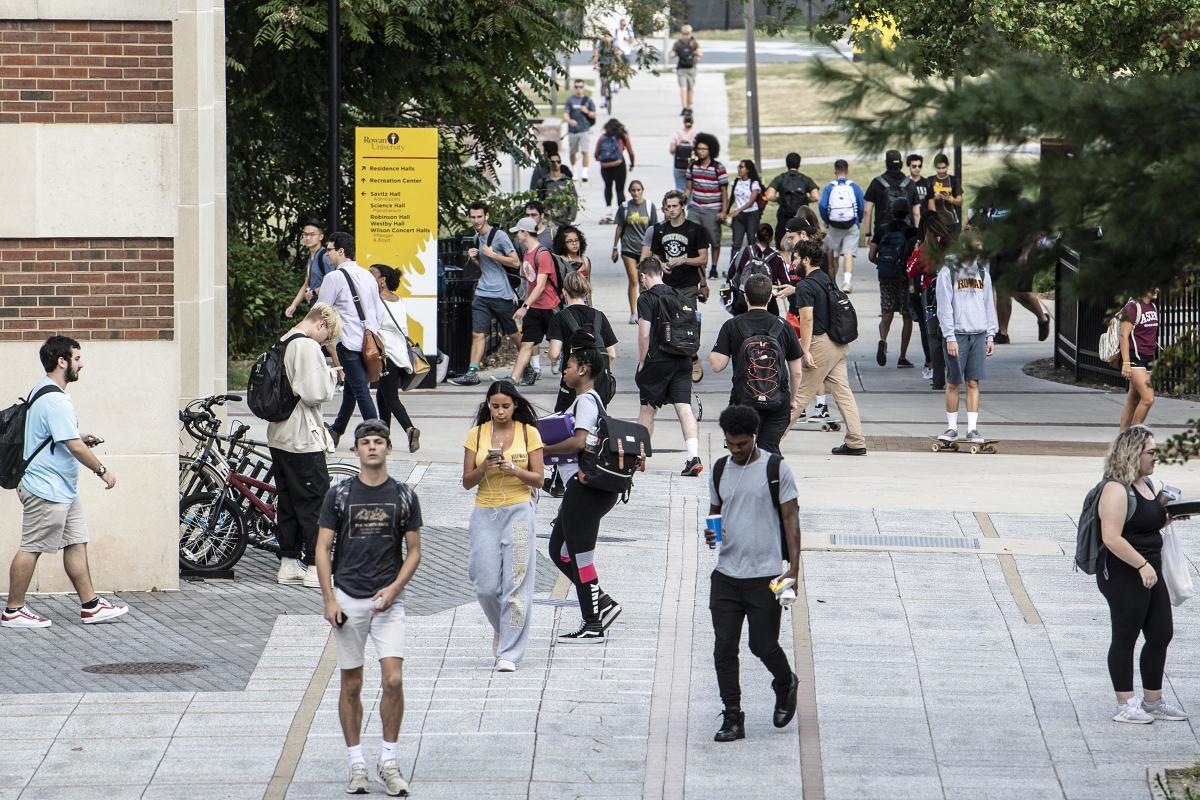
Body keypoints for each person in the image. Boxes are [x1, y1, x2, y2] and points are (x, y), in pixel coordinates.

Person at [315, 420, 422, 797]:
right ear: (356, 450)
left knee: (393, 679)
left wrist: (395, 588)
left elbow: (415, 551)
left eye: (378, 442)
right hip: (347, 599)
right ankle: (356, 762)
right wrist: (329, 599)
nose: (372, 448)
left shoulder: (404, 495)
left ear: (388, 449)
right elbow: (322, 548)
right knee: (352, 684)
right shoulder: (340, 495)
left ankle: (389, 759)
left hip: (387, 602)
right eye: (365, 442)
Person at [2, 336, 128, 629]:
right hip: (45, 489)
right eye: (77, 358)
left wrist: (79, 436)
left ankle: (91, 605)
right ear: (62, 361)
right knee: (31, 547)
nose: (81, 364)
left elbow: (57, 436)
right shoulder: (55, 399)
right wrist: (102, 470)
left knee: (75, 542)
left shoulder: (43, 390)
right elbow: (72, 445)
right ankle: (13, 610)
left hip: (61, 489)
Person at [706, 404, 800, 743]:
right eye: (730, 444)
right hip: (727, 575)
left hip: (765, 575)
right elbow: (715, 510)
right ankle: (733, 716)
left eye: (742, 445)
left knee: (762, 644)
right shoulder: (719, 470)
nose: (735, 450)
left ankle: (785, 681)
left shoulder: (776, 469)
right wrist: (711, 531)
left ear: (754, 437)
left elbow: (791, 519)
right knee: (723, 648)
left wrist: (793, 571)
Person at [1096, 425, 1189, 724]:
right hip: (1124, 571)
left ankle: (1152, 701)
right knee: (1126, 635)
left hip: (1150, 569)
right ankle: (1125, 704)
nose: (1156, 456)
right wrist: (1141, 565)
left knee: (1161, 632)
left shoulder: (1146, 484)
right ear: (1133, 453)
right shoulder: (1115, 489)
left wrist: (1171, 515)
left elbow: (1145, 524)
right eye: (1151, 451)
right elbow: (1111, 537)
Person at [543, 334, 625, 642]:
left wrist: (543, 449)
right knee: (558, 550)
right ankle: (601, 602)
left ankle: (593, 622)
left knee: (580, 556)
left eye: (570, 364)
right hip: (580, 489)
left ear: (584, 369)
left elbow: (579, 441)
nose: (564, 369)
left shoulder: (588, 401)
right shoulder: (585, 400)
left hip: (586, 488)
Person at [461, 381, 544, 672]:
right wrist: (484, 467)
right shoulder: (477, 434)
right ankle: (505, 628)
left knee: (516, 584)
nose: (499, 411)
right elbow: (467, 481)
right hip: (485, 511)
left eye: (505, 406)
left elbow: (539, 479)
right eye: (494, 406)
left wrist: (515, 470)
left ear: (515, 406)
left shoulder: (528, 432)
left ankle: (509, 652)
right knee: (484, 584)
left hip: (519, 511)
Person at [268, 303, 341, 588]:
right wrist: (332, 376)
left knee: (287, 500)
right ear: (321, 324)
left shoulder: (284, 340)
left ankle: (288, 562)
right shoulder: (307, 347)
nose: (326, 342)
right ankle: (314, 566)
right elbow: (314, 393)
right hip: (302, 436)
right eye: (329, 335)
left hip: (280, 434)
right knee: (315, 502)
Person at [789, 240, 868, 455]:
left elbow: (806, 319)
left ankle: (770, 440)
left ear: (805, 260)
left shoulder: (806, 285)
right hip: (838, 343)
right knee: (843, 393)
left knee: (799, 394)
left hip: (820, 345)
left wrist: (804, 349)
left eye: (795, 257)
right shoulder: (825, 278)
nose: (793, 262)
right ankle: (856, 441)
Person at [710, 275, 804, 454]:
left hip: (743, 401)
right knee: (769, 450)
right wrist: (792, 400)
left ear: (745, 297)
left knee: (743, 452)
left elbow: (717, 365)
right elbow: (797, 372)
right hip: (778, 400)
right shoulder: (784, 326)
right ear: (770, 297)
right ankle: (772, 479)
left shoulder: (732, 325)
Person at [635, 258, 703, 476]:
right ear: (661, 274)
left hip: (659, 358)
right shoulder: (680, 296)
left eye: (641, 279)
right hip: (683, 357)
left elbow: (644, 334)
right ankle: (693, 457)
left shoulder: (646, 298)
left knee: (648, 408)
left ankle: (639, 456)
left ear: (644, 276)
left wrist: (643, 361)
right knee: (684, 407)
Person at [317, 232, 385, 447]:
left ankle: (377, 435)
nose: (326, 254)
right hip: (368, 343)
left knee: (361, 391)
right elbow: (378, 310)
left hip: (347, 342)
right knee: (353, 389)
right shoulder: (367, 276)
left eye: (329, 249)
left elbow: (321, 312)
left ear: (341, 251)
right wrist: (370, 332)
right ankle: (337, 431)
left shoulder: (333, 277)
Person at [935, 233, 998, 446]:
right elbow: (944, 307)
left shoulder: (982, 272)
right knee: (953, 381)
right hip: (958, 334)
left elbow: (989, 304)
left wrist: (990, 334)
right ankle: (952, 428)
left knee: (974, 381)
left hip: (978, 333)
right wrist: (949, 336)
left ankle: (972, 429)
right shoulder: (948, 272)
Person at [450, 202, 522, 387]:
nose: (476, 220)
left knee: (513, 333)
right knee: (477, 333)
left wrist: (492, 254)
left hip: (501, 294)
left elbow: (515, 262)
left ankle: (527, 365)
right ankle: (472, 371)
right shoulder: (476, 238)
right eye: (473, 217)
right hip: (482, 293)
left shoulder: (499, 236)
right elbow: (487, 269)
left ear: (486, 216)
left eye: (479, 216)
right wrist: (475, 259)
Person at [643, 190, 710, 383]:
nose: (671, 210)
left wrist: (684, 260)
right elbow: (654, 254)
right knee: (666, 324)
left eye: (674, 206)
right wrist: (660, 264)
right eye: (668, 207)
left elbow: (703, 258)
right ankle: (674, 362)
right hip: (666, 285)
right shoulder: (660, 230)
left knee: (689, 322)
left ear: (682, 207)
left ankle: (693, 357)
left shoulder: (695, 229)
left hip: (688, 284)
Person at [976, 174, 1051, 344]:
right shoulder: (995, 205)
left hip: (1020, 255)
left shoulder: (1024, 205)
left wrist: (1025, 253)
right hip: (999, 255)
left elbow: (1034, 231)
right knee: (1002, 293)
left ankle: (1042, 318)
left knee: (1021, 294)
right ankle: (1003, 333)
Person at [548, 271, 618, 413]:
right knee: (596, 425)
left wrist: (552, 357)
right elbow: (611, 354)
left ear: (564, 292)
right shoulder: (599, 316)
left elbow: (554, 354)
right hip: (598, 385)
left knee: (563, 424)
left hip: (573, 383)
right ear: (586, 291)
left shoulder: (560, 318)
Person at [369, 265, 421, 454]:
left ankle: (410, 429)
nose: (368, 278)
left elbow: (372, 328)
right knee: (383, 397)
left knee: (391, 398)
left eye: (371, 275)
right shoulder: (398, 300)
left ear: (382, 280)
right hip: (401, 356)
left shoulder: (376, 301)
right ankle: (385, 439)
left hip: (386, 355)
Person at [508, 217, 562, 387]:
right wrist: (523, 300)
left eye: (518, 232)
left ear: (525, 232)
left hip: (550, 308)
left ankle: (558, 361)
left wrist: (524, 307)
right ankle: (513, 380)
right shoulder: (526, 254)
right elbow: (530, 284)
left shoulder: (542, 254)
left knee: (553, 354)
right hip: (534, 309)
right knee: (526, 345)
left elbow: (540, 286)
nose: (517, 235)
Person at [872, 199, 918, 369]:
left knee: (886, 314)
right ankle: (902, 357)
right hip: (904, 279)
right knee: (907, 316)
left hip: (885, 278)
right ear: (907, 212)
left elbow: (871, 255)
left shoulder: (882, 230)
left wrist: (883, 265)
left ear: (891, 211)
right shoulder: (911, 232)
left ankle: (883, 339)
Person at [860, 150, 909, 295]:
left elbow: (867, 210)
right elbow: (917, 212)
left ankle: (888, 301)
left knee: (886, 265)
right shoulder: (909, 184)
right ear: (901, 164)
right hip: (905, 233)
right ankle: (904, 300)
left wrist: (868, 233)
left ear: (886, 163)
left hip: (883, 234)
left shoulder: (877, 183)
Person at [612, 180, 658, 323]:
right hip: (628, 248)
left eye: (638, 190)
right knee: (633, 280)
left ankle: (644, 312)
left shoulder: (650, 206)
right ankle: (633, 313)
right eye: (633, 190)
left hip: (645, 249)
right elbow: (619, 227)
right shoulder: (625, 207)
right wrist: (614, 247)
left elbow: (654, 229)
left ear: (642, 190)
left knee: (643, 281)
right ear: (630, 192)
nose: (636, 193)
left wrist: (655, 251)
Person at [684, 132, 729, 280]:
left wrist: (723, 211)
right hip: (695, 207)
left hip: (712, 209)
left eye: (704, 149)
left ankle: (714, 267)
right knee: (692, 236)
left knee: (714, 239)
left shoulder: (718, 168)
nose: (701, 152)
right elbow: (689, 188)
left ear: (711, 150)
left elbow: (724, 192)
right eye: (699, 149)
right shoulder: (692, 167)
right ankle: (698, 266)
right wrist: (682, 200)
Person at [817, 159, 865, 291]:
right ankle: (847, 282)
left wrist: (827, 220)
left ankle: (832, 284)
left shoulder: (829, 187)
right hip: (851, 225)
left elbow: (822, 205)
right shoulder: (854, 187)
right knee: (849, 253)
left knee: (834, 255)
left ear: (835, 171)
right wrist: (858, 219)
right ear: (847, 171)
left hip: (834, 226)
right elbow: (861, 205)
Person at [726, 223, 793, 316]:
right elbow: (786, 283)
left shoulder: (743, 252)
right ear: (771, 239)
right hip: (768, 306)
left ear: (755, 236)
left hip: (743, 304)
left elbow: (730, 274)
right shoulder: (777, 258)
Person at [1119, 290, 1159, 432]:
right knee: (1148, 399)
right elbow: (1124, 335)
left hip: (1148, 360)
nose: (1157, 290)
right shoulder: (1132, 307)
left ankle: (1121, 439)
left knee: (1133, 400)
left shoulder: (1153, 307)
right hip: (1135, 359)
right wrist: (1126, 363)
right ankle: (1132, 437)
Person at [765, 153, 820, 250]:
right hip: (801, 219)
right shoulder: (805, 179)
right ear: (799, 164)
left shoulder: (780, 179)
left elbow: (769, 195)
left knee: (782, 247)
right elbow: (816, 196)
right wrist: (805, 199)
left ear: (787, 164)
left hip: (784, 219)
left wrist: (779, 199)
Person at [285, 217, 332, 318]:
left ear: (321, 237)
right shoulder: (311, 257)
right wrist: (293, 305)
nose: (308, 238)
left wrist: (314, 292)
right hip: (316, 308)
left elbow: (333, 283)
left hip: (327, 310)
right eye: (305, 234)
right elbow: (306, 283)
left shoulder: (324, 256)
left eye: (312, 234)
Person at [595, 118, 635, 222]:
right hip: (619, 165)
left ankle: (608, 210)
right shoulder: (622, 137)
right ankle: (621, 212)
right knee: (620, 189)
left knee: (608, 187)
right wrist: (632, 164)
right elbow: (631, 153)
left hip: (605, 166)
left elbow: (596, 154)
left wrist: (602, 159)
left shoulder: (602, 138)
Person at [727, 159, 764, 254]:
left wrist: (738, 210)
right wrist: (726, 211)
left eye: (741, 167)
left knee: (751, 240)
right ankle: (734, 267)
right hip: (739, 216)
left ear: (747, 169)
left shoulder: (754, 183)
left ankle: (754, 264)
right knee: (736, 243)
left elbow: (751, 202)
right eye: (738, 167)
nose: (739, 169)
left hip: (751, 214)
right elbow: (732, 199)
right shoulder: (736, 182)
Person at [563, 79, 595, 182]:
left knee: (585, 151)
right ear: (574, 87)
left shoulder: (588, 100)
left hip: (584, 129)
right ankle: (574, 171)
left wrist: (587, 111)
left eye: (580, 87)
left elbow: (594, 115)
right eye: (576, 87)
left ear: (583, 87)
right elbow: (565, 113)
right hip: (573, 131)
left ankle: (585, 172)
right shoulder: (570, 100)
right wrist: (569, 120)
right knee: (573, 152)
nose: (578, 89)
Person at [535, 155, 578, 227]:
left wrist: (571, 216)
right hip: (547, 220)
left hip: (564, 220)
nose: (555, 164)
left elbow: (573, 199)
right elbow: (536, 200)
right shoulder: (543, 181)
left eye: (558, 161)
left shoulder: (567, 181)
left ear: (561, 163)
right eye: (552, 162)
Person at [927, 153, 963, 231]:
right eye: (939, 168)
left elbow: (960, 201)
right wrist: (933, 198)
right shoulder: (930, 180)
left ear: (947, 166)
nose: (941, 171)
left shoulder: (953, 180)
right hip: (935, 222)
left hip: (951, 221)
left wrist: (950, 199)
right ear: (935, 167)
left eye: (944, 168)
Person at [670, 24, 702, 114]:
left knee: (684, 88)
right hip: (691, 68)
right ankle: (688, 106)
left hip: (682, 68)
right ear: (691, 33)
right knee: (689, 89)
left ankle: (685, 107)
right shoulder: (694, 43)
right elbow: (700, 55)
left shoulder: (678, 43)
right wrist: (695, 55)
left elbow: (671, 55)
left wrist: (677, 53)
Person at [669, 115, 697, 192]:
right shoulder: (695, 135)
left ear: (683, 122)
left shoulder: (677, 134)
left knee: (679, 188)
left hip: (679, 165)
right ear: (693, 122)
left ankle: (680, 203)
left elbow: (671, 150)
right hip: (691, 165)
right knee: (691, 189)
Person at [904, 153, 929, 227]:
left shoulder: (927, 183)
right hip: (907, 223)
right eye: (914, 166)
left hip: (924, 222)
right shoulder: (903, 183)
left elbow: (931, 205)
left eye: (919, 166)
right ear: (909, 166)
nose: (917, 168)